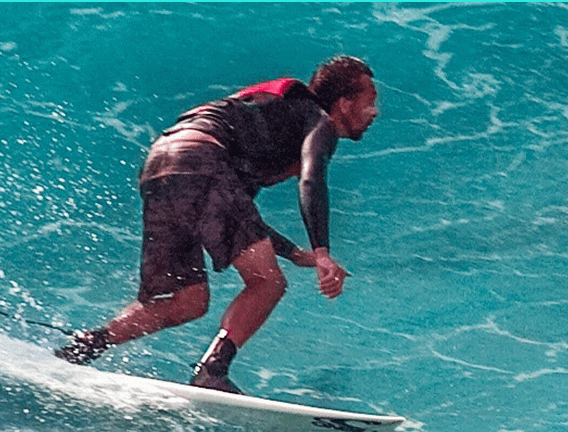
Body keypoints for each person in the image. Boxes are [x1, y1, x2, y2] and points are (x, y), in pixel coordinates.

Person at [55, 55, 379, 393]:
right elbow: (311, 180)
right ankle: (212, 370)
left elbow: (235, 212)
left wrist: (296, 253)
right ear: (344, 103)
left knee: (187, 301)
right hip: (202, 160)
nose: (375, 113)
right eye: (370, 102)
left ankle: (84, 347)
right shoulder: (319, 121)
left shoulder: (270, 126)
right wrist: (322, 253)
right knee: (267, 283)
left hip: (162, 161)